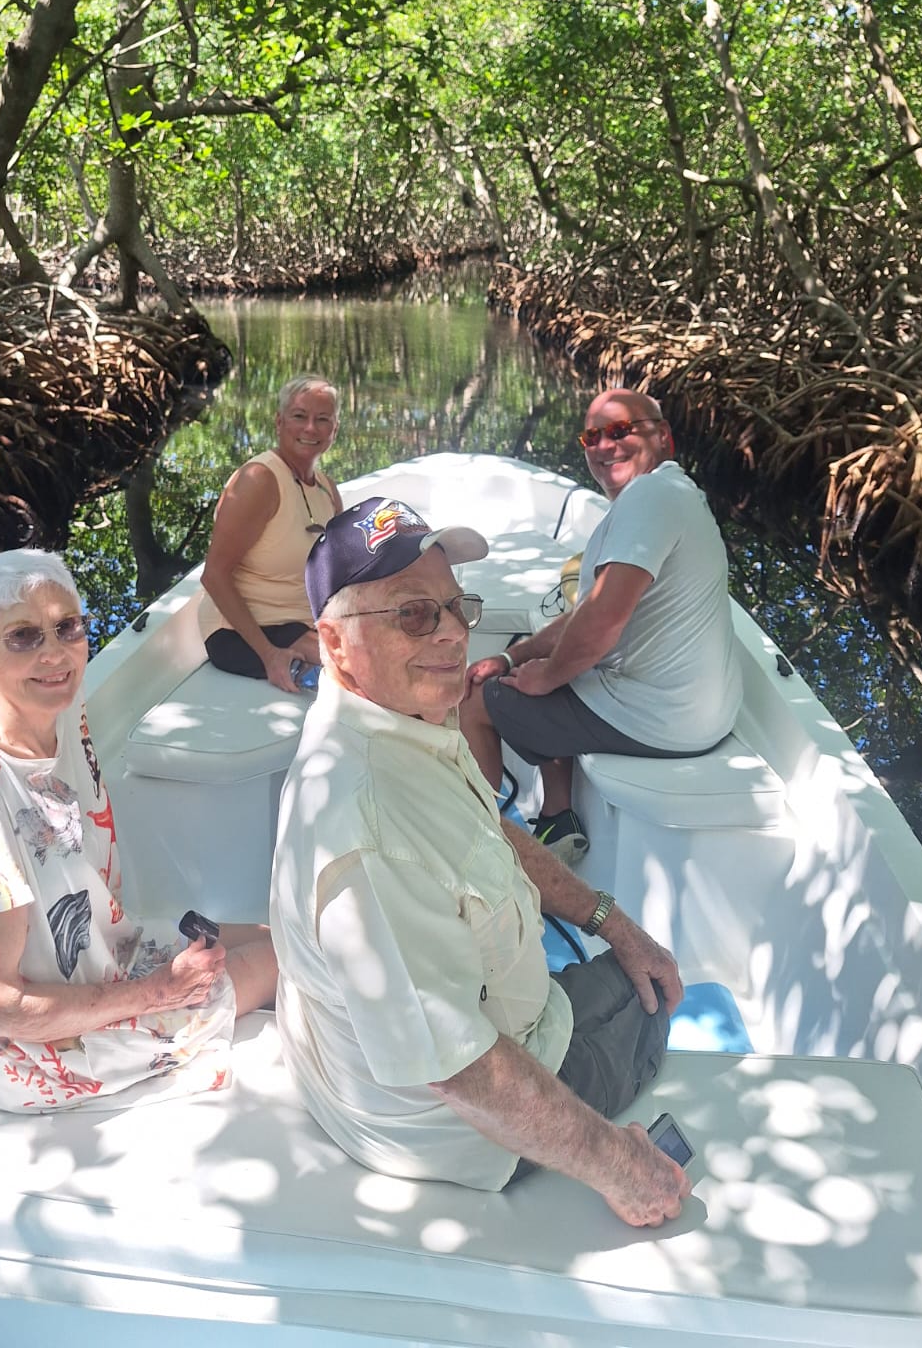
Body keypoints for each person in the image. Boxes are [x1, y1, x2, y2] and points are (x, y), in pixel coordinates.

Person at [269, 499, 691, 1223]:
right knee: (653, 999)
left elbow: (485, 826)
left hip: (380, 1070)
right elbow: (460, 1068)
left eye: (455, 606)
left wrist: (608, 917)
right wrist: (622, 1167)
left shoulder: (408, 717)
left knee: (629, 954)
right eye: (413, 615)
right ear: (335, 644)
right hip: (451, 1131)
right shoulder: (366, 825)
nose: (455, 633)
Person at [0, 548, 277, 1112]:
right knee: (285, 958)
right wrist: (157, 993)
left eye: (66, 627)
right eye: (24, 637)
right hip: (21, 1048)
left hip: (91, 959)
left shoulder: (58, 707)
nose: (55, 654)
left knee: (282, 930)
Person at [459, 389, 741, 862]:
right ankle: (557, 815)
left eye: (620, 431)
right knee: (536, 662)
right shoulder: (672, 493)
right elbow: (588, 611)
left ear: (663, 437)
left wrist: (544, 675)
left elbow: (602, 620)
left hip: (659, 719)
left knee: (478, 699)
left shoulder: (650, 496)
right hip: (696, 712)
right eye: (593, 436)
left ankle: (483, 846)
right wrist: (515, 656)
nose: (604, 445)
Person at [198, 374, 342, 693]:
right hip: (243, 631)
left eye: (322, 419)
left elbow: (343, 568)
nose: (310, 428)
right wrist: (269, 656)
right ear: (279, 421)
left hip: (302, 622)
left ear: (335, 429)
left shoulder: (327, 488)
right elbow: (213, 576)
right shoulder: (259, 479)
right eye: (299, 416)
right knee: (355, 667)